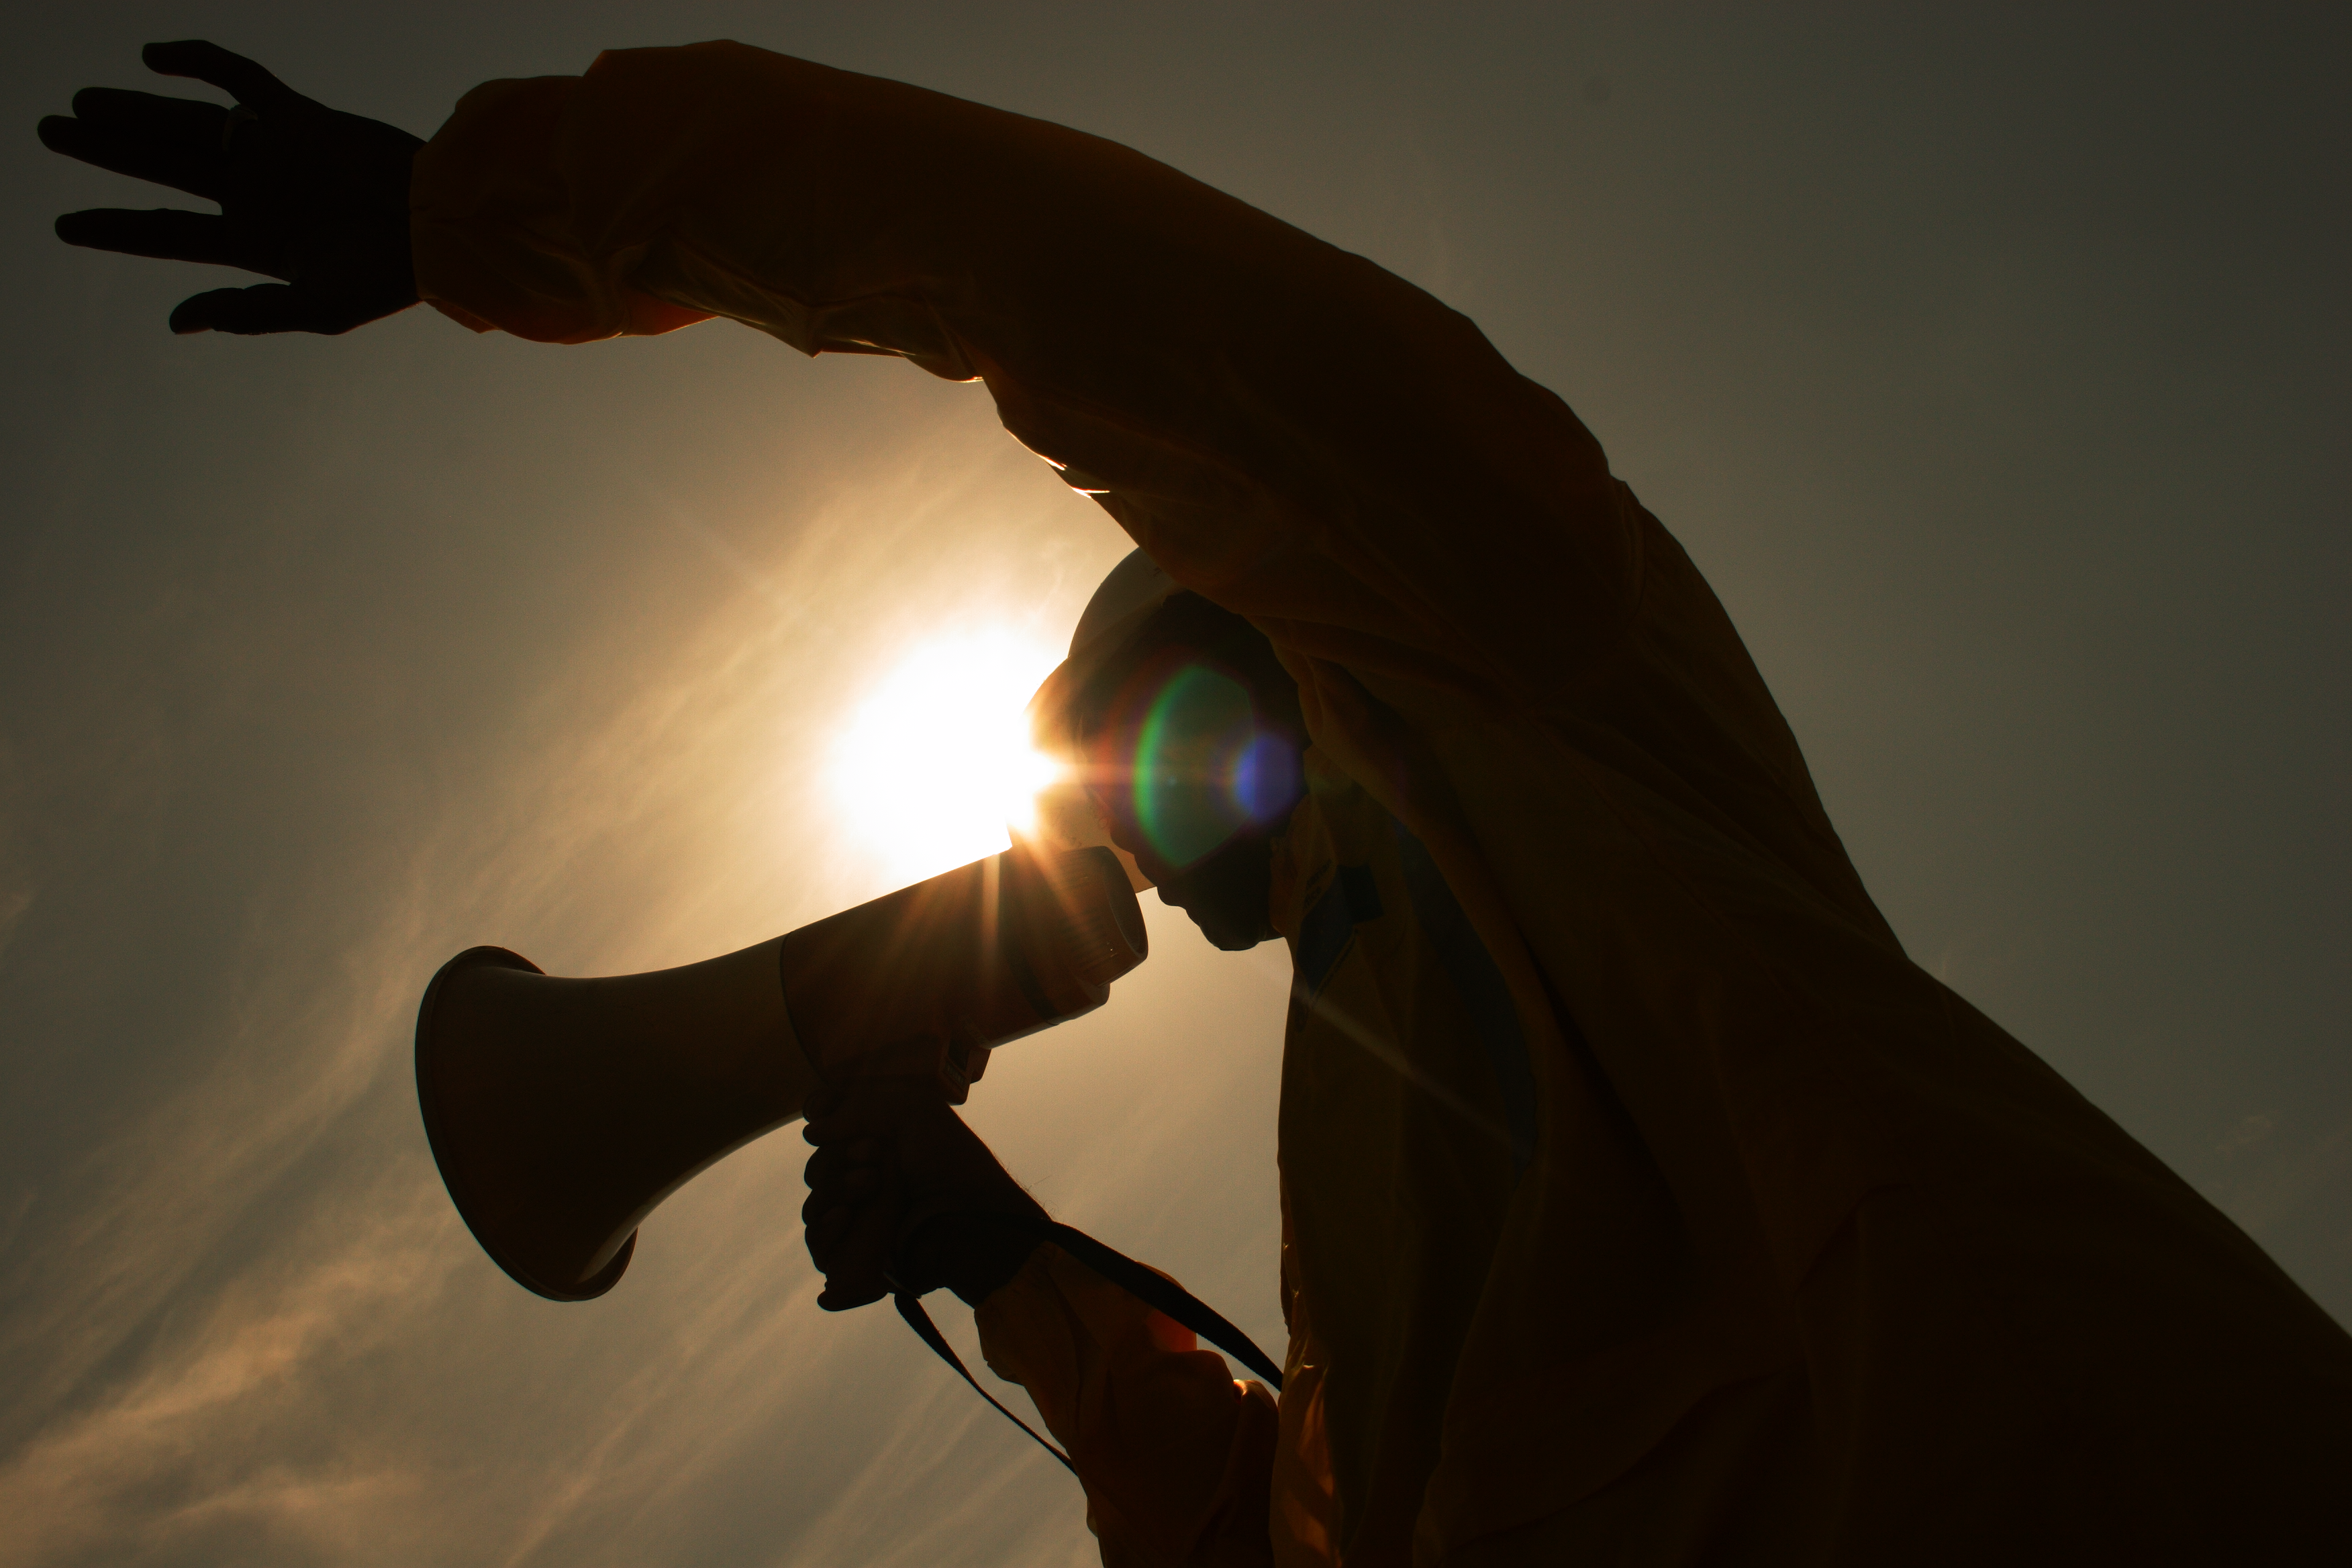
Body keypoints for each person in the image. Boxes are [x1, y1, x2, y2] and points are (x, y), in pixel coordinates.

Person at [41, 40, 2352, 1566]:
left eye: (1127, 762)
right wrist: (1020, 1275)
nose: (1127, 847)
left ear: (1247, 597)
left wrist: (505, 209)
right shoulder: (1379, 1128)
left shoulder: (1506, 602)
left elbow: (1065, 278)